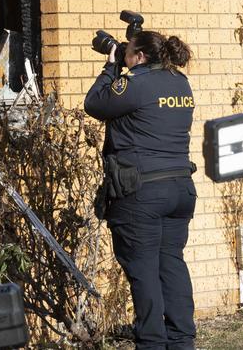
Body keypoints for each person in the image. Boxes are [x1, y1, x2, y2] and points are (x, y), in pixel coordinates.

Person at [84, 29, 196, 350]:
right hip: (180, 190)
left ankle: (150, 344)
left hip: (141, 194)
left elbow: (94, 103)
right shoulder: (180, 83)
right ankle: (182, 342)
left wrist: (110, 67)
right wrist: (124, 62)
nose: (124, 56)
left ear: (141, 56)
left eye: (128, 52)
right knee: (171, 264)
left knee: (144, 271)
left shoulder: (135, 84)